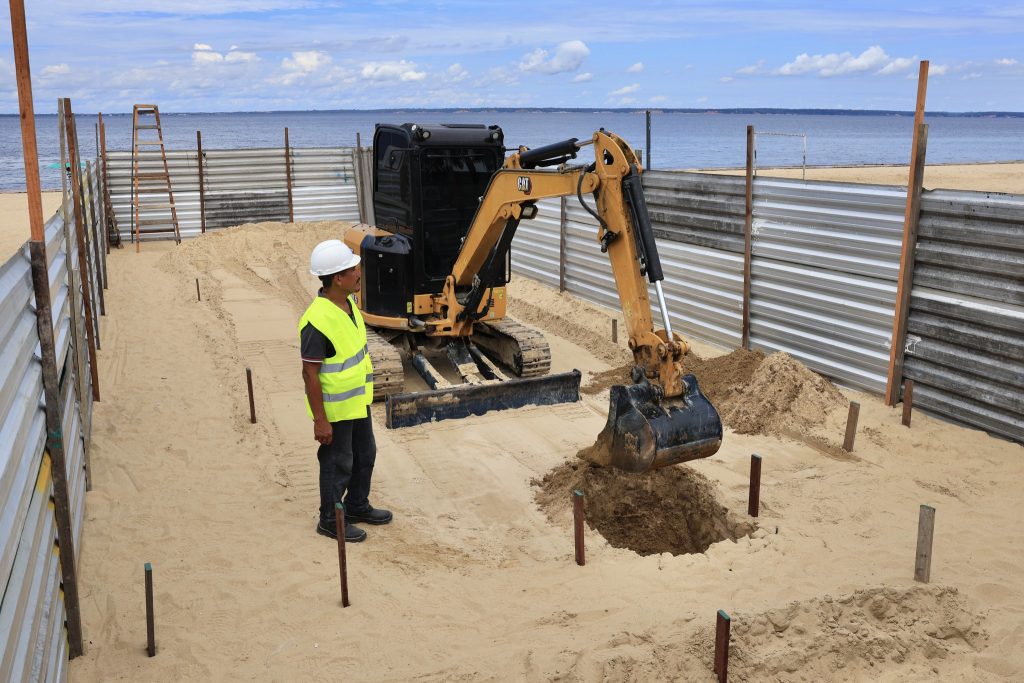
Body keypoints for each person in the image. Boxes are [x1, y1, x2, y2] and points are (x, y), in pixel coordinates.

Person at [299, 239, 392, 542]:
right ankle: (330, 519)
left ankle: (355, 505)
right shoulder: (316, 321)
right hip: (335, 410)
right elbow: (309, 373)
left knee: (366, 453)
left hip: (357, 402)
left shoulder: (348, 304)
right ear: (338, 278)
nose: (359, 273)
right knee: (338, 463)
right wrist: (319, 420)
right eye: (354, 269)